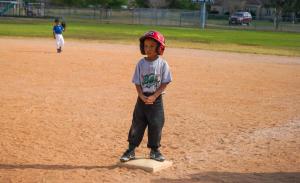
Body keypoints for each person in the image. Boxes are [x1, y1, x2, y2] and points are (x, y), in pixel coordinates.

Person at [120, 31, 172, 162]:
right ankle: (131, 150)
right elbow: (137, 82)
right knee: (137, 124)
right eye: (146, 46)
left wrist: (155, 96)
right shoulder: (141, 63)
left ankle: (155, 151)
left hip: (156, 100)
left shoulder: (163, 64)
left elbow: (165, 82)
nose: (148, 49)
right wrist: (141, 95)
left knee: (156, 124)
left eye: (152, 46)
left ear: (160, 48)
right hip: (142, 99)